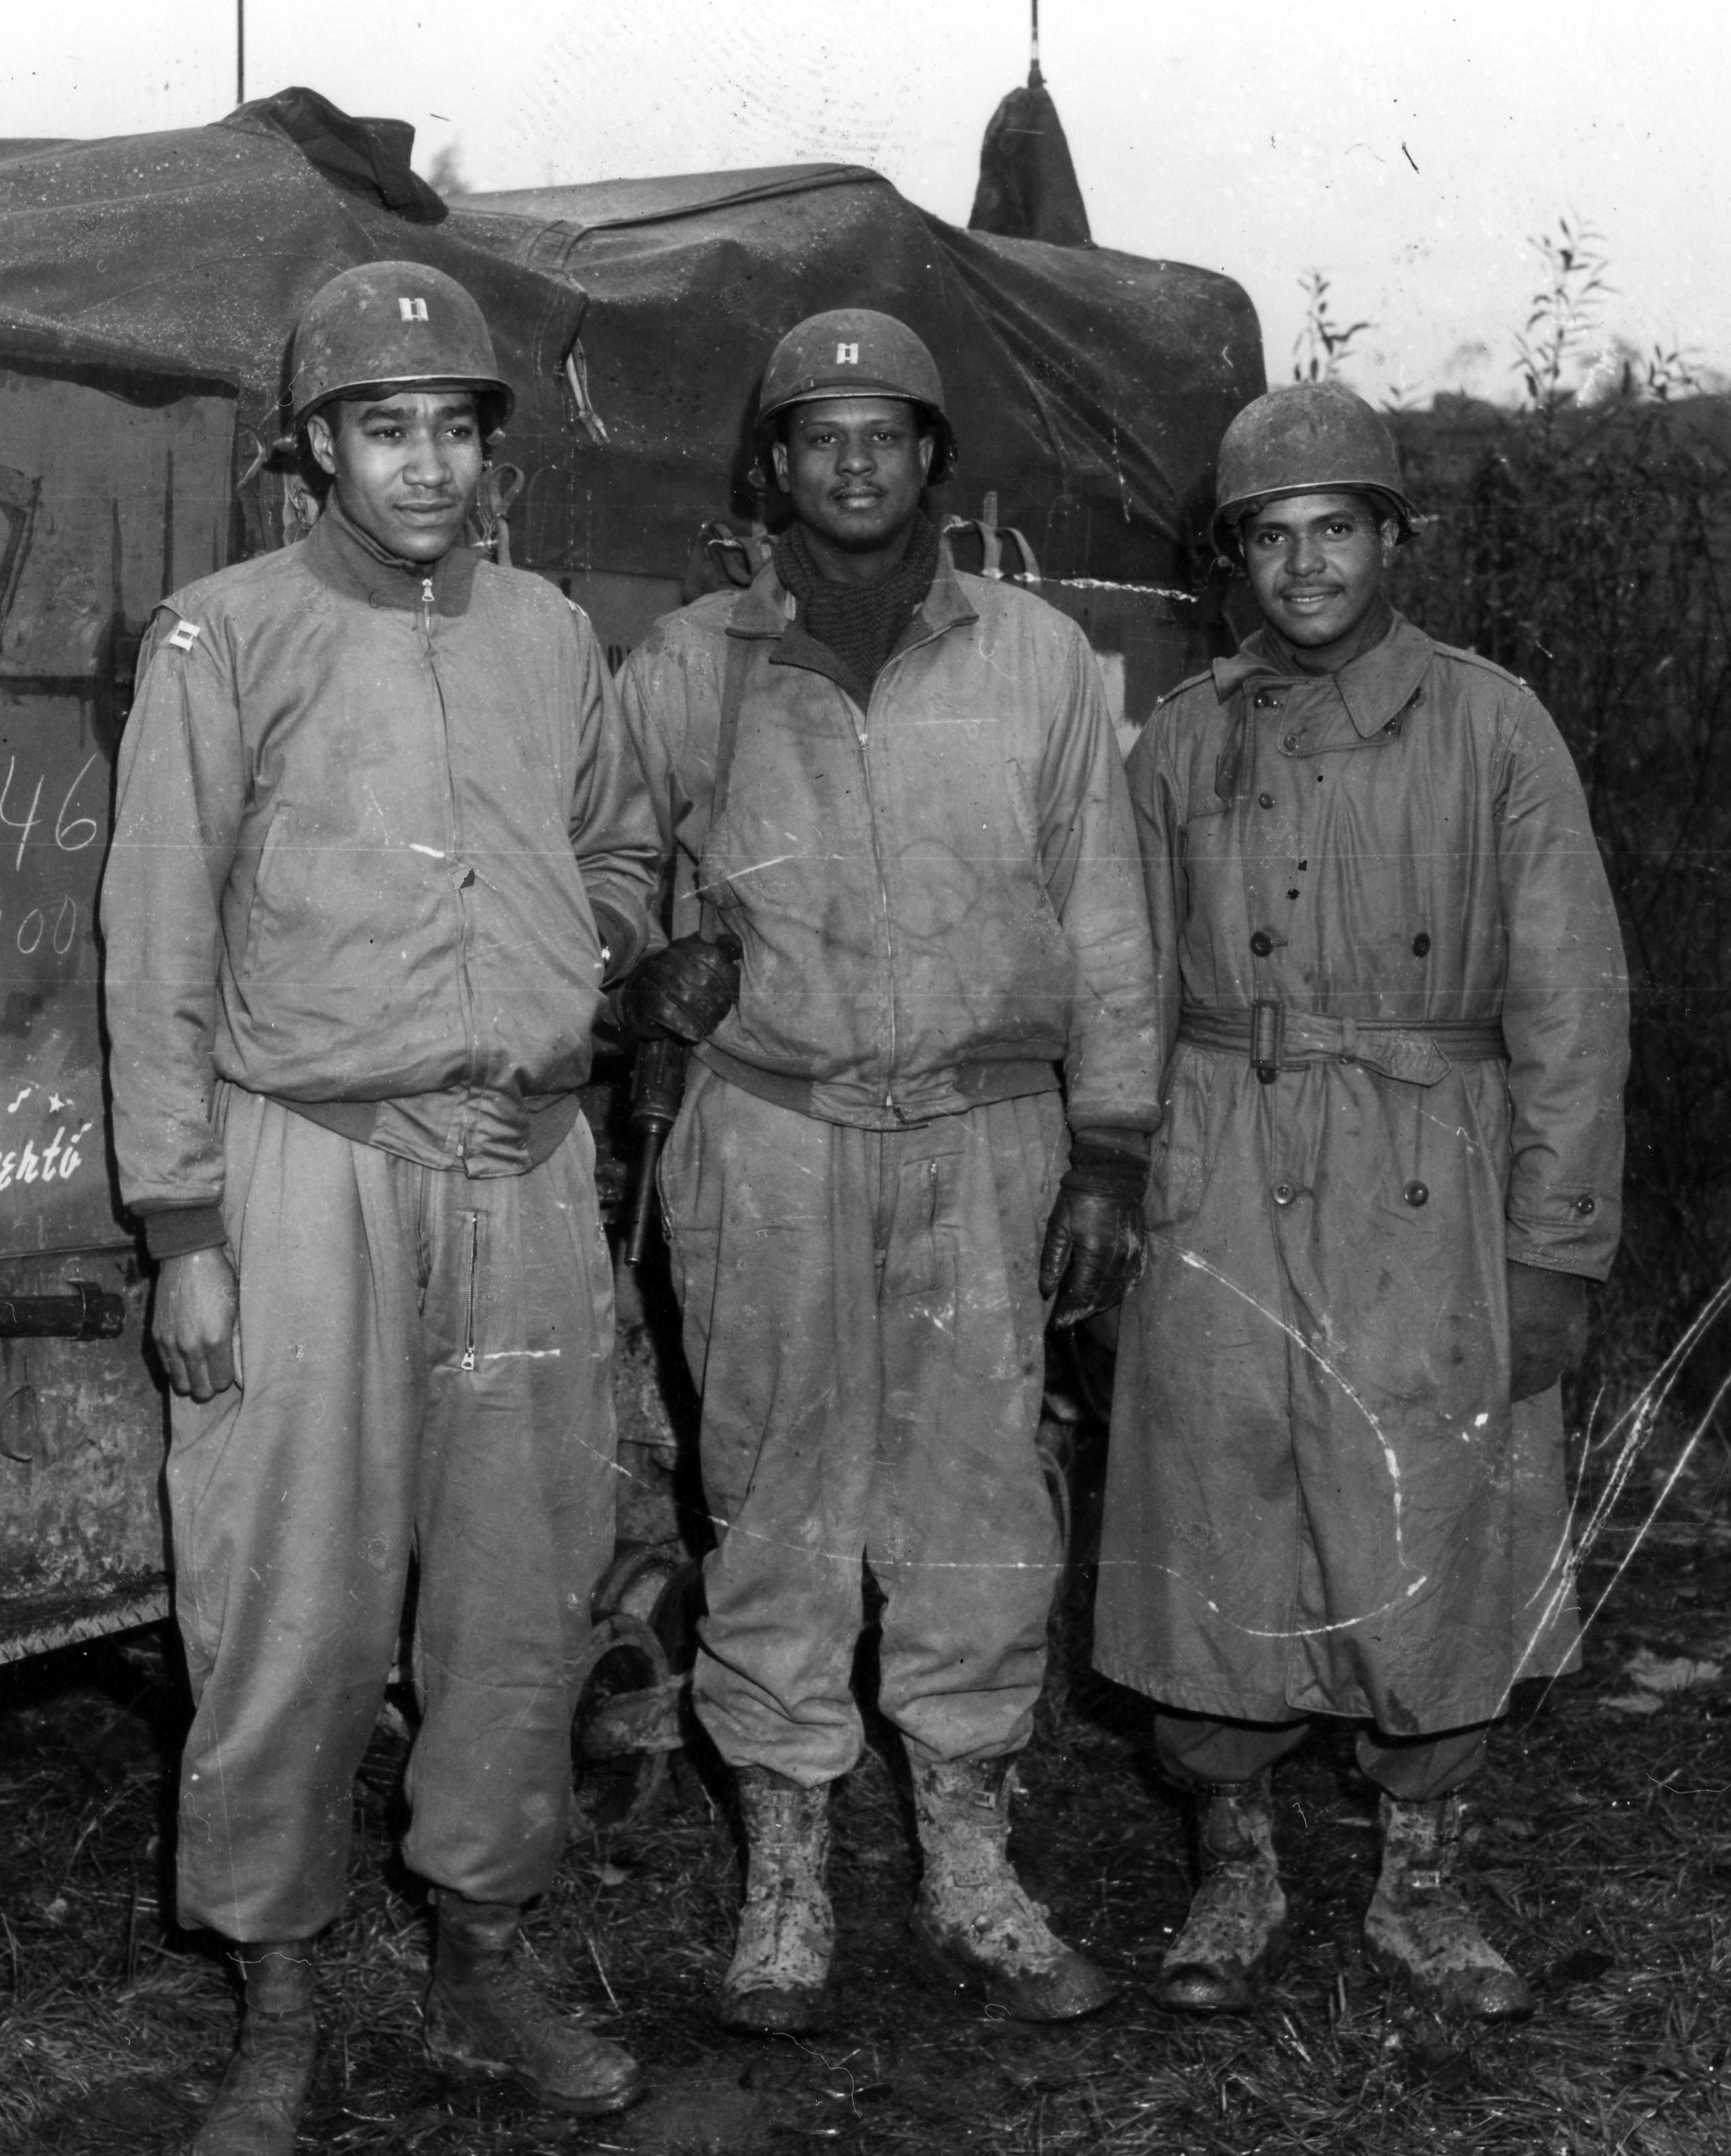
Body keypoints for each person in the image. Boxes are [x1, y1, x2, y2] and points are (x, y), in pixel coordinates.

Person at [99, 260, 657, 2156]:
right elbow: (156, 941)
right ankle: (276, 2000)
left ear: (490, 453)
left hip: (516, 1173)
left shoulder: (548, 633)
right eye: (382, 427)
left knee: (520, 1586)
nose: (423, 465)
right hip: (299, 1166)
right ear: (316, 450)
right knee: (288, 1600)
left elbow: (613, 851)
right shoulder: (221, 637)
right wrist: (182, 1224)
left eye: (454, 428)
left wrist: (568, 1003)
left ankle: (482, 1957)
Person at [616, 309, 1160, 2033]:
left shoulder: (1041, 665)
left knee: (978, 1503)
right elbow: (594, 863)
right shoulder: (687, 665)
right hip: (766, 1134)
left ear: (936, 462)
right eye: (817, 432)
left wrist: (1110, 1145)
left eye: (887, 431)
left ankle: (970, 1866)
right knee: (771, 1492)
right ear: (769, 469)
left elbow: (1105, 916)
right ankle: (784, 1880)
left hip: (983, 1136)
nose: (853, 459)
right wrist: (641, 964)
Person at [1093, 382, 1629, 2020]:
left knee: (1432, 1508)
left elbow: (1570, 1007)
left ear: (1393, 543)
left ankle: (1418, 1881)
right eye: (1272, 535)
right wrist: (1118, 1166)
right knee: (1217, 1501)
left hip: (1427, 1173)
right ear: (1235, 557)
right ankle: (1232, 1865)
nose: (1305, 565)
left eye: (1338, 529)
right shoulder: (1180, 741)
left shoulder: (1491, 727)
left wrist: (1554, 1247)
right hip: (1223, 1167)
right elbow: (1119, 975)